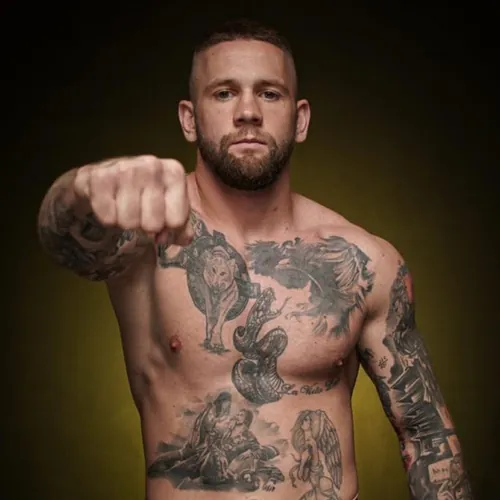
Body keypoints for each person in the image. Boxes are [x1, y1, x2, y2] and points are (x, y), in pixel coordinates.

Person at [36, 18, 473, 500]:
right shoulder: (144, 240)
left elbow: (426, 435)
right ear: (189, 118)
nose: (248, 112)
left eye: (269, 93)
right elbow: (63, 240)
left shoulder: (363, 262)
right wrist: (80, 191)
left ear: (300, 119)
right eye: (224, 93)